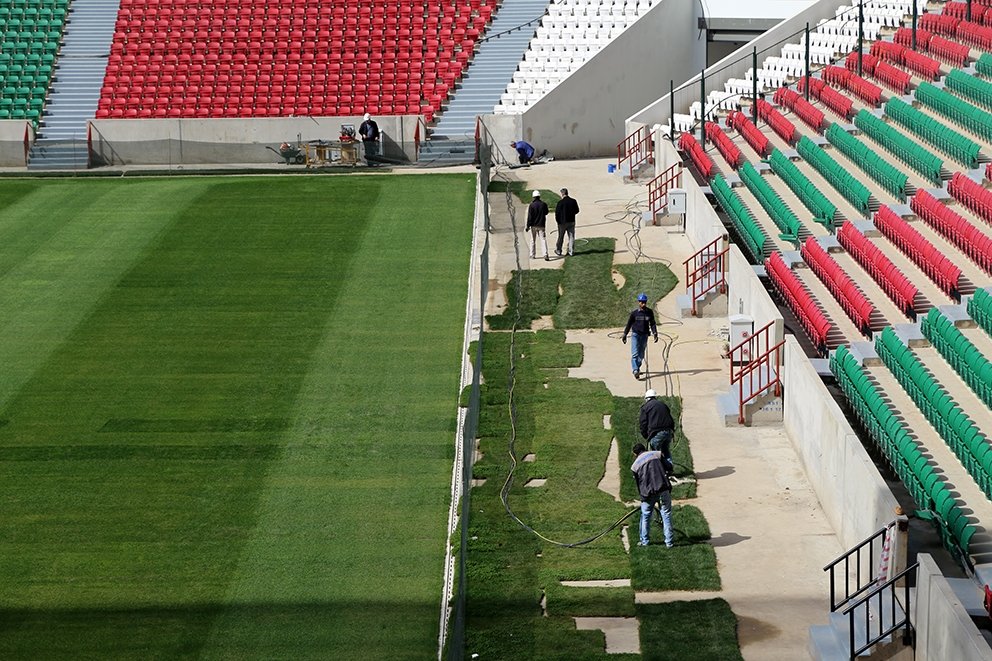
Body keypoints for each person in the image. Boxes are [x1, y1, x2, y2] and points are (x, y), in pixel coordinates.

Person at [631, 443, 674, 547]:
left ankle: (644, 541)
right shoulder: (657, 454)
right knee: (666, 513)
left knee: (645, 516)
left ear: (635, 454)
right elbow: (669, 467)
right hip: (663, 488)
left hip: (648, 492)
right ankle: (669, 542)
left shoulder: (634, 466)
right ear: (644, 449)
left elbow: (639, 484)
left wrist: (642, 497)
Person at [621, 293, 658, 379]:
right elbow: (629, 324)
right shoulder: (634, 313)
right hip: (635, 335)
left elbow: (652, 323)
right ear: (639, 302)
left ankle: (637, 368)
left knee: (641, 355)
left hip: (644, 336)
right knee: (635, 353)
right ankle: (635, 370)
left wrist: (655, 333)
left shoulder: (649, 312)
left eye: (645, 302)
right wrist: (625, 334)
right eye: (642, 302)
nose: (643, 304)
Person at [640, 389, 675, 475]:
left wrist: (645, 435)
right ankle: (669, 469)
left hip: (656, 433)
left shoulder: (645, 407)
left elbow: (643, 423)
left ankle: (658, 472)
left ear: (647, 398)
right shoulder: (663, 405)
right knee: (666, 450)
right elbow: (670, 419)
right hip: (668, 432)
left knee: (654, 454)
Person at [554, 187, 579, 256]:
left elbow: (557, 213)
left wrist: (558, 221)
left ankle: (558, 250)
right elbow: (577, 210)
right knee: (571, 237)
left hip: (562, 222)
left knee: (560, 237)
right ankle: (571, 251)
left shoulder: (560, 203)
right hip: (571, 221)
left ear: (562, 194)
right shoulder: (573, 201)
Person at [526, 190, 550, 261]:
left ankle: (532, 255)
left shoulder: (531, 205)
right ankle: (545, 254)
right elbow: (546, 212)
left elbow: (530, 217)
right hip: (541, 225)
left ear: (533, 197)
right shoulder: (543, 204)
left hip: (533, 225)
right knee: (543, 239)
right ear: (539, 196)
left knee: (533, 240)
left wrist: (528, 226)